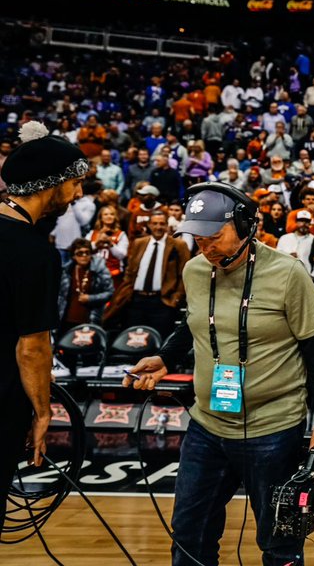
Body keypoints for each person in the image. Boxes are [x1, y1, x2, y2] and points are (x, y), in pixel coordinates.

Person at [123, 183, 314, 566]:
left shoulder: (288, 274)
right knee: (190, 534)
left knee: (279, 542)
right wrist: (166, 358)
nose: (205, 247)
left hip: (272, 430)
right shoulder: (194, 270)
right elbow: (193, 323)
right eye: (198, 238)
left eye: (213, 236)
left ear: (245, 225)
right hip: (206, 426)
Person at [0, 122, 88, 507]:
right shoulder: (35, 254)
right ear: (51, 184)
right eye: (74, 183)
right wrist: (41, 411)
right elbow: (32, 347)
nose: (78, 193)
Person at [104, 209, 191, 338]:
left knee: (160, 342)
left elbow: (184, 274)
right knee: (133, 341)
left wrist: (176, 298)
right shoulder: (139, 243)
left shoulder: (179, 245)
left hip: (163, 302)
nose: (158, 227)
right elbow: (130, 270)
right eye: (155, 223)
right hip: (136, 300)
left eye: (162, 224)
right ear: (149, 225)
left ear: (167, 225)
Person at [58, 238, 115, 332]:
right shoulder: (66, 271)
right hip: (66, 320)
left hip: (90, 320)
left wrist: (90, 298)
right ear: (73, 256)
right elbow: (59, 296)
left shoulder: (99, 270)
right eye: (80, 253)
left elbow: (110, 292)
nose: (84, 256)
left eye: (87, 252)